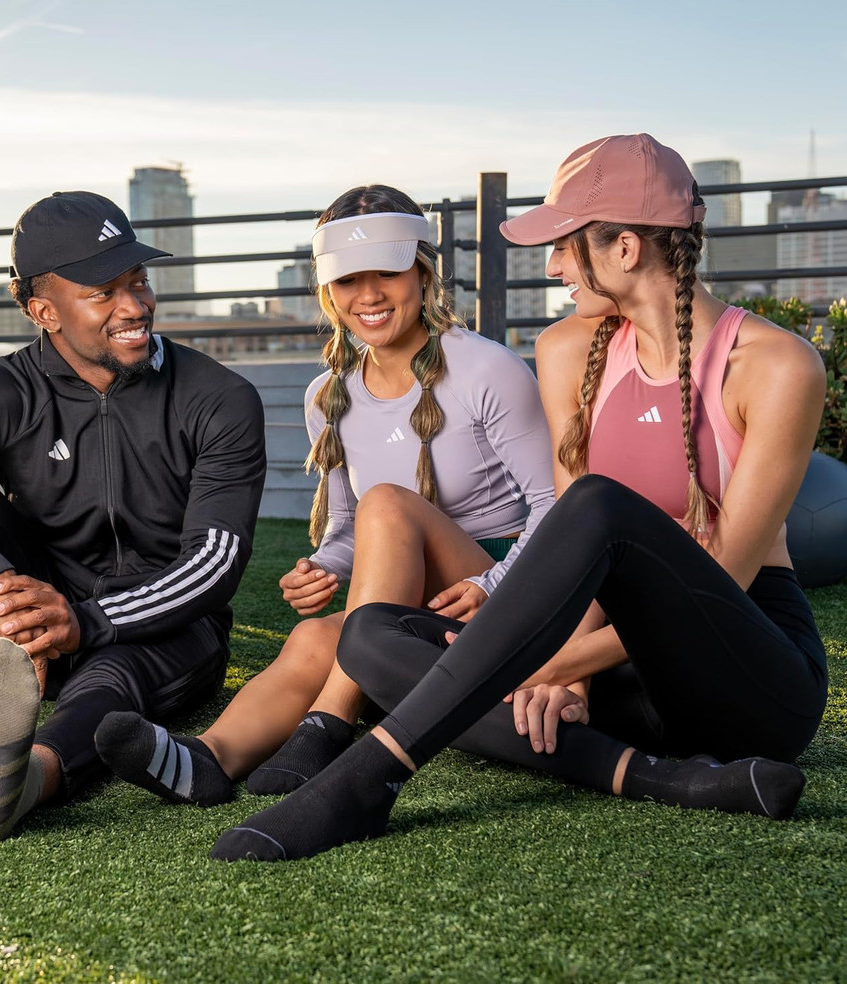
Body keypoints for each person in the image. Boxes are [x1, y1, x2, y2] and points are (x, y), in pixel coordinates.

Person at [209, 133, 829, 862]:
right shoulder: (570, 349)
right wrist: (569, 672)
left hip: (749, 677)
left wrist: (549, 667)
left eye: (563, 245)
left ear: (625, 248)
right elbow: (574, 559)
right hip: (626, 681)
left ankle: (366, 779)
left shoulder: (778, 365)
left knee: (597, 505)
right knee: (372, 639)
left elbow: (723, 581)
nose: (555, 265)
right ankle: (671, 781)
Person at [92, 184, 555, 806]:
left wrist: (491, 585)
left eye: (386, 272)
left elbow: (556, 508)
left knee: (388, 503)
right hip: (419, 604)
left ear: (422, 272)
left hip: (501, 594)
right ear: (326, 290)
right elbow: (345, 527)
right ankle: (206, 759)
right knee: (312, 637)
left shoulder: (487, 370)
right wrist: (322, 567)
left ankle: (331, 720)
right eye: (347, 279)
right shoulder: (326, 397)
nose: (367, 296)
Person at [0, 190, 266, 844]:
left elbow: (213, 563)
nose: (135, 306)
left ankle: (18, 784)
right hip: (39, 601)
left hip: (164, 625)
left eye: (139, 282)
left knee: (111, 680)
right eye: (104, 292)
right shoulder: (1, 387)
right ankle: (21, 691)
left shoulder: (220, 398)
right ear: (43, 311)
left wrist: (89, 622)